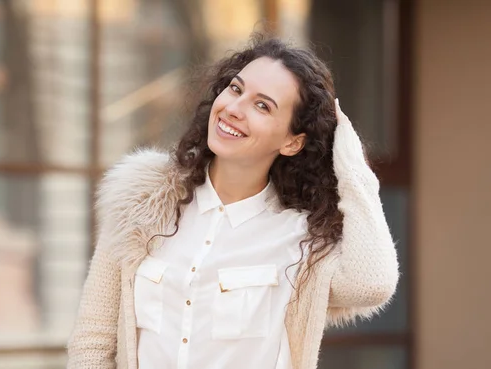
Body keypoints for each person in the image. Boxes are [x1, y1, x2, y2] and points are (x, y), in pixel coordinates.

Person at [66, 35, 399, 369]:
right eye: (236, 89)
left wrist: (353, 169)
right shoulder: (141, 204)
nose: (234, 109)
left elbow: (371, 285)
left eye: (262, 106)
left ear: (292, 142)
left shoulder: (300, 241)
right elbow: (93, 341)